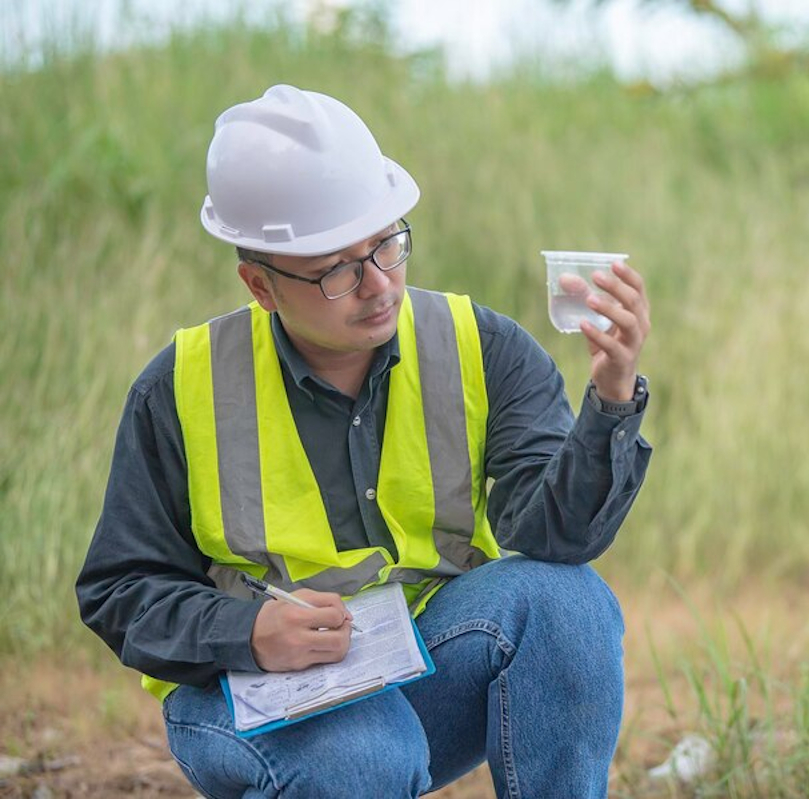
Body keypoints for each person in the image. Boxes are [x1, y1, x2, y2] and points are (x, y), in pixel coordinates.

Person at [76, 84, 652, 798]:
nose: (378, 284)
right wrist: (248, 629)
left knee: (567, 601)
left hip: (417, 673)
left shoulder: (482, 346)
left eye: (387, 243)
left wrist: (612, 399)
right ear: (260, 284)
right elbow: (120, 589)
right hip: (254, 696)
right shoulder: (179, 386)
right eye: (338, 269)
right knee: (362, 757)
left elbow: (552, 535)